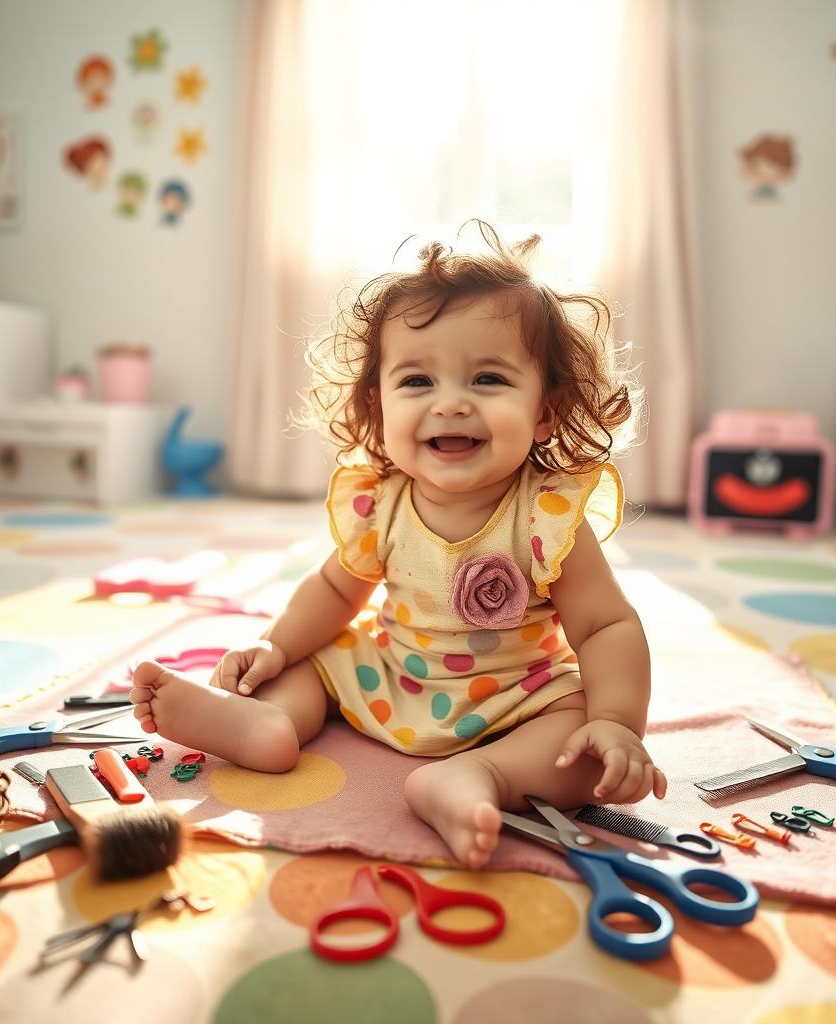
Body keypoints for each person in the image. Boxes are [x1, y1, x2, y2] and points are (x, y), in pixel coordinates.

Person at [130, 221, 666, 868]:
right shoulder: (379, 504)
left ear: (545, 411)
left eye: (488, 380)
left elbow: (606, 624)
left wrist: (615, 721)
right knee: (317, 658)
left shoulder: (546, 516)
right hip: (390, 676)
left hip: (516, 698)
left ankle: (479, 777)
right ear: (378, 407)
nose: (451, 404)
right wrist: (276, 646)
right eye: (417, 382)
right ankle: (266, 725)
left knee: (579, 749)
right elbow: (333, 590)